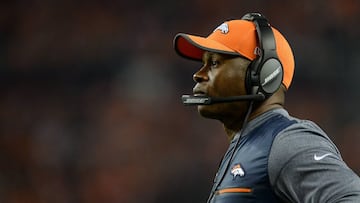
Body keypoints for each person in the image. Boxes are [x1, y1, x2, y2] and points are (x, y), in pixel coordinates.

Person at [172, 12, 360, 203]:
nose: (198, 74)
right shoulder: (246, 147)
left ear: (262, 75)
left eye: (214, 63)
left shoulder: (287, 142)